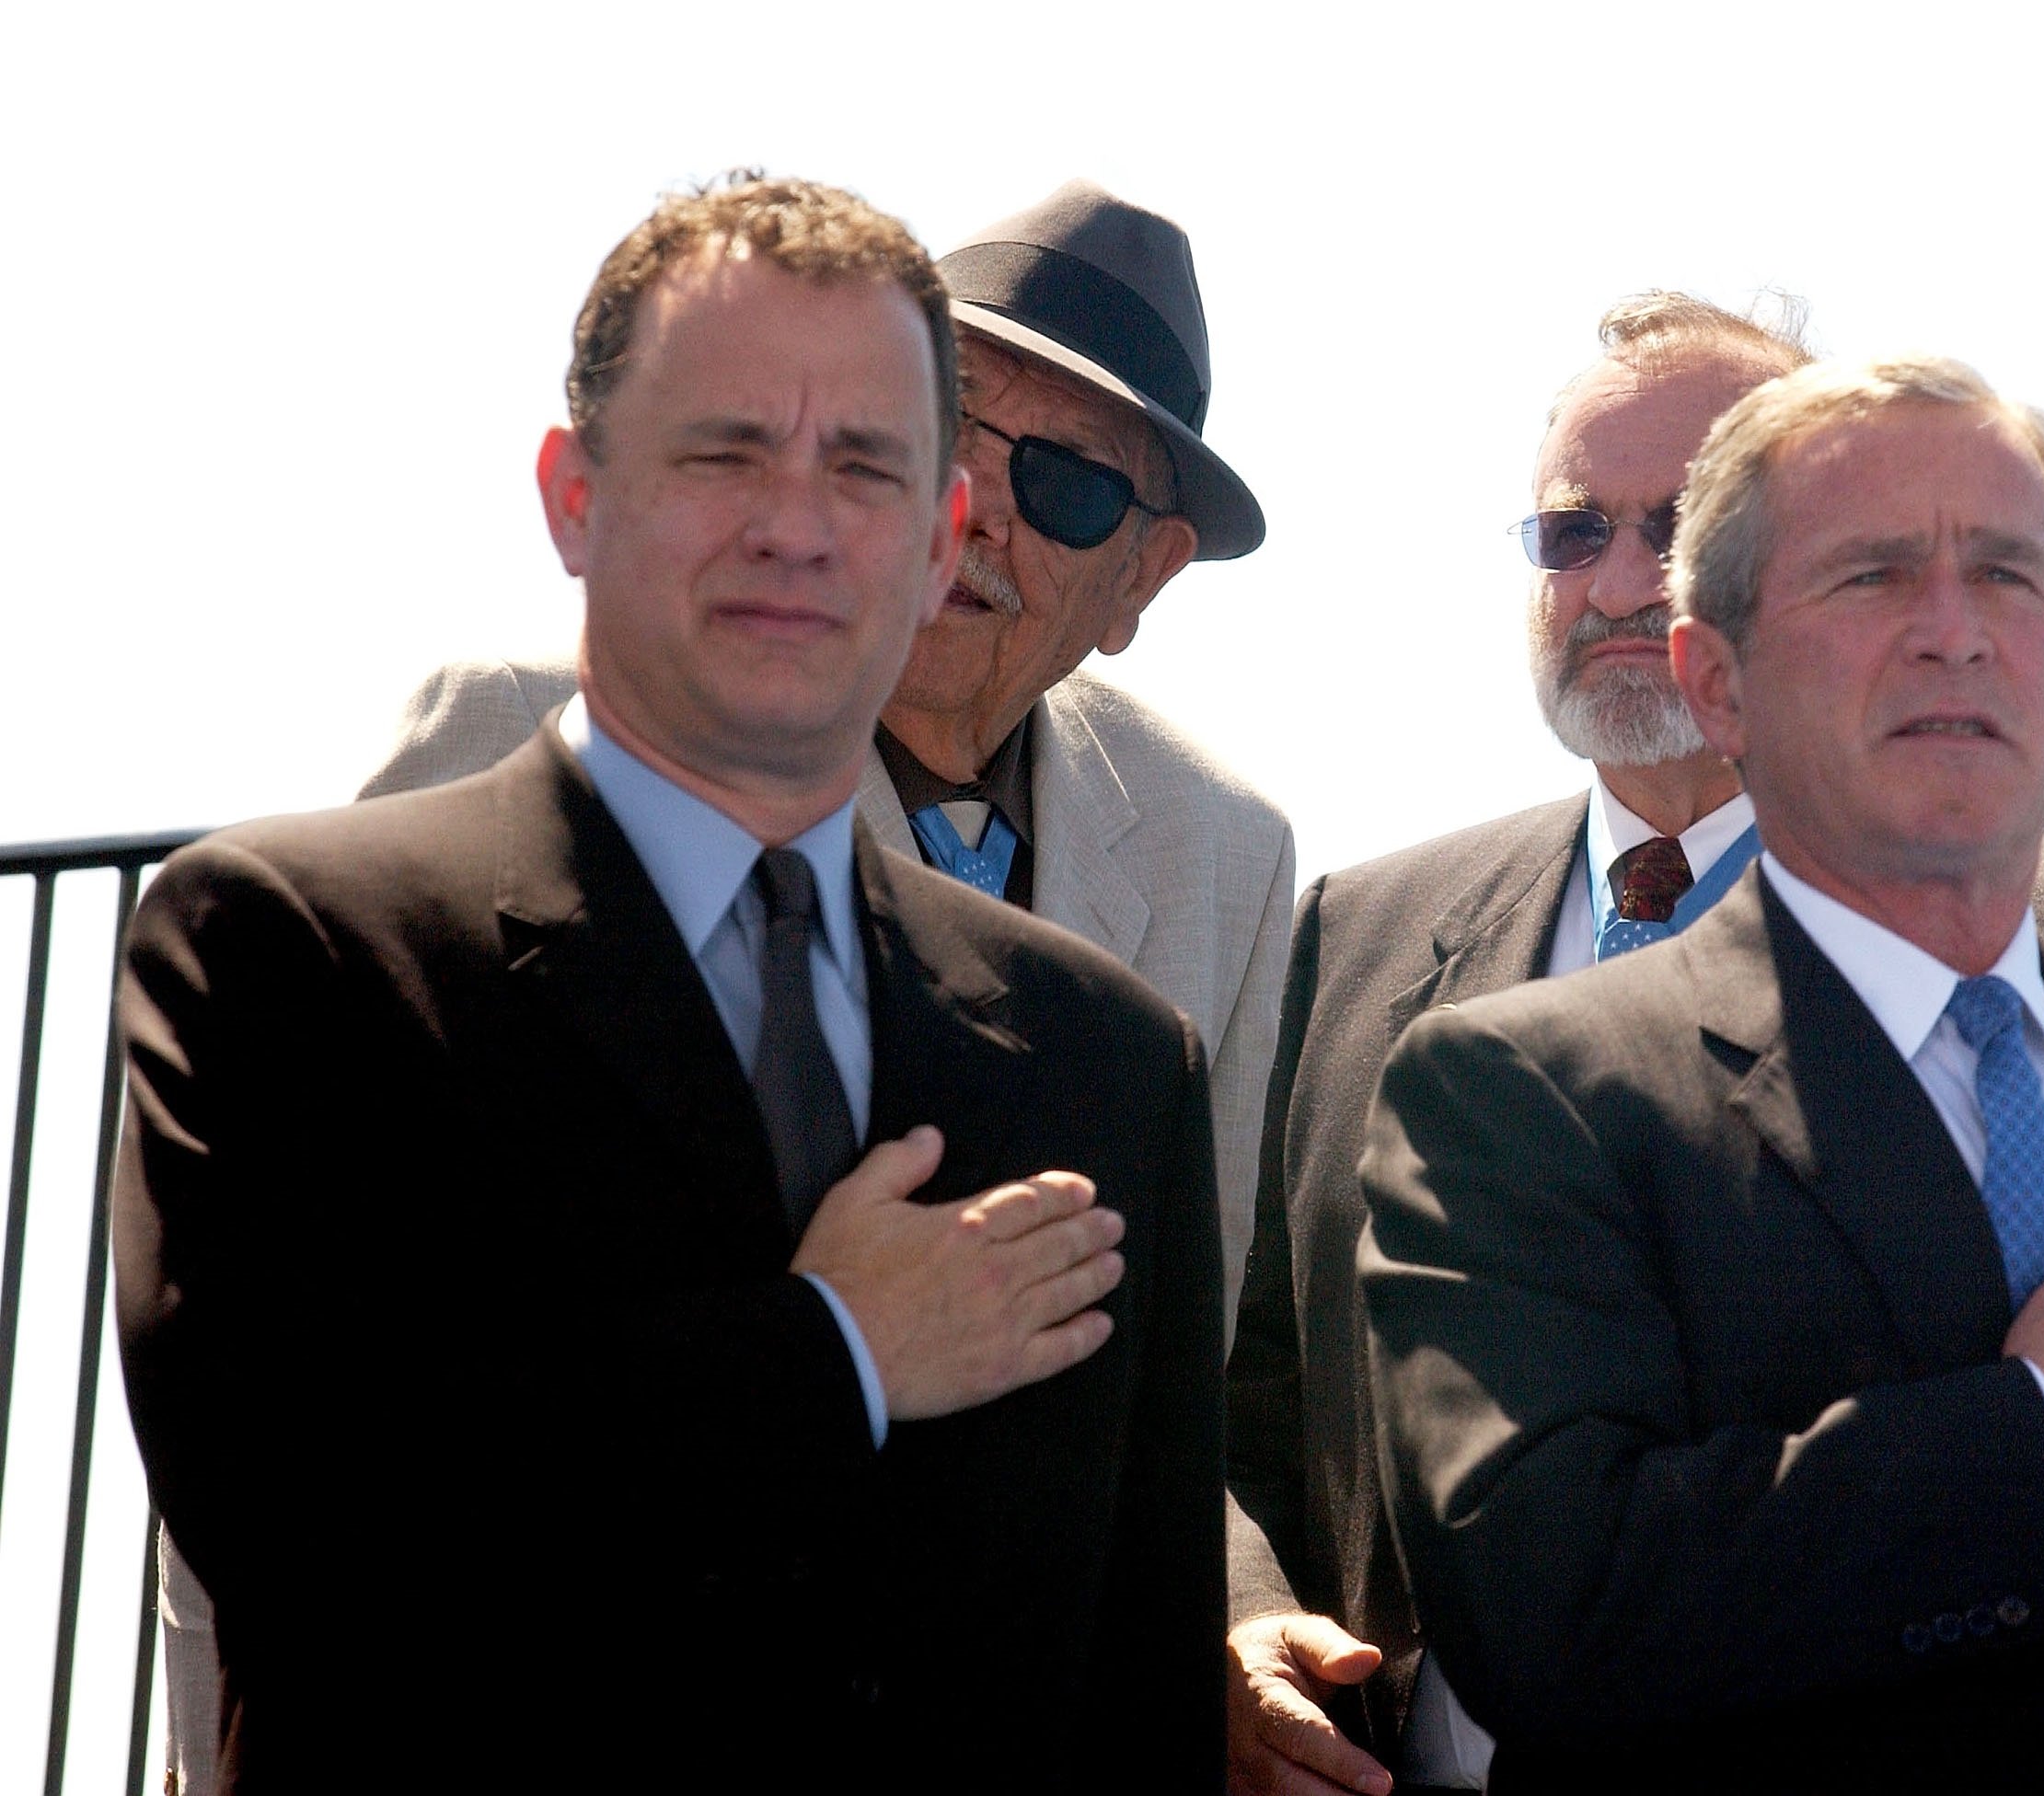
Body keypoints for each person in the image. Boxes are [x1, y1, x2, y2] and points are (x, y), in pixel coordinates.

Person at [113, 174, 1223, 1792]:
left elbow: (1135, 1690)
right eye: (724, 451)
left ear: (935, 543)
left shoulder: (1108, 1056)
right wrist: (834, 1348)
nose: (796, 522)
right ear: (573, 498)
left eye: (866, 466)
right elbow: (313, 1534)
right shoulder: (286, 950)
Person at [1223, 296, 2044, 1794]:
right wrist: (1240, 1625)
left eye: (1684, 526)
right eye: (1573, 532)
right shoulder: (1363, 934)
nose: (1621, 581)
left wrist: (2030, 1430)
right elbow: (1256, 1403)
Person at [364, 178, 1291, 1337]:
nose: (978, 508)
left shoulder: (1222, 853)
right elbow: (321, 1266)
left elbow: (1189, 1350)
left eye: (1068, 483)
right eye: (944, 434)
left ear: (1142, 576)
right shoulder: (524, 729)